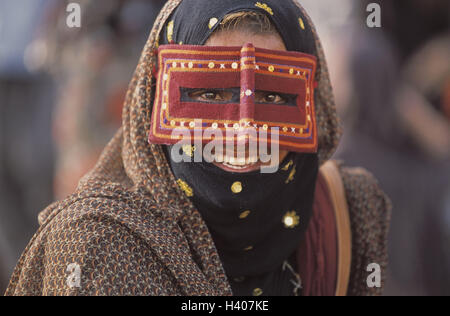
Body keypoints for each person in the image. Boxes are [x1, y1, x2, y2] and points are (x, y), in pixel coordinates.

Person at [5, 0, 391, 296]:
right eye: (207, 93)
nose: (243, 132)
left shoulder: (348, 214)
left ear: (313, 101)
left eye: (273, 95)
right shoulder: (98, 243)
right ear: (155, 99)